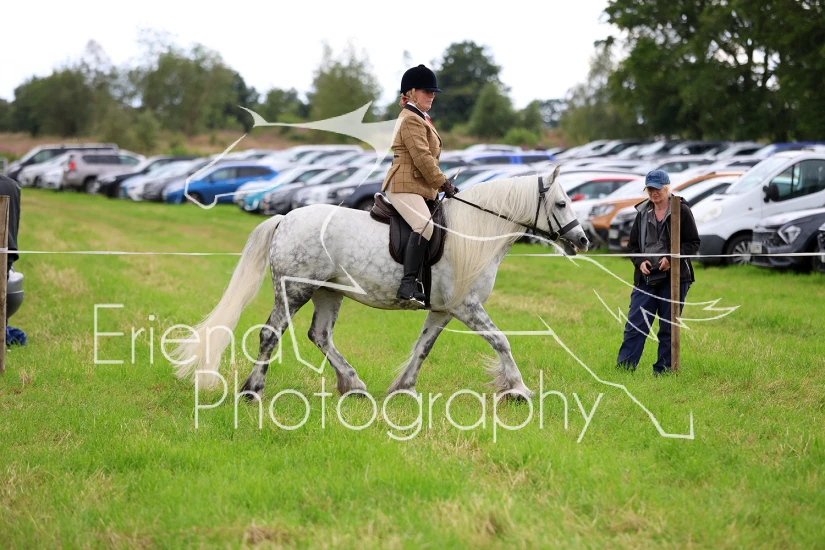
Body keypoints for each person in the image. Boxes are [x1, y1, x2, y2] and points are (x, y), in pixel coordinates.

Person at [382, 64, 458, 306]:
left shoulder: (421, 117)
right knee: (424, 225)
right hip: (403, 185)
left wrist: (440, 185)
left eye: (433, 92)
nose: (432, 95)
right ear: (411, 92)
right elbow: (423, 158)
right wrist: (443, 182)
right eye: (427, 91)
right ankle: (408, 285)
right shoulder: (410, 119)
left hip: (418, 186)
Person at [616, 170, 700, 375]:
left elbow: (693, 243)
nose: (654, 193)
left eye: (658, 189)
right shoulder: (642, 212)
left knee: (668, 328)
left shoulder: (681, 210)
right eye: (650, 189)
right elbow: (632, 246)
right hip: (646, 278)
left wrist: (671, 259)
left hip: (674, 278)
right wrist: (640, 262)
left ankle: (664, 372)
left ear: (667, 188)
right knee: (635, 325)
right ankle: (624, 370)